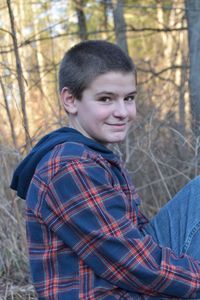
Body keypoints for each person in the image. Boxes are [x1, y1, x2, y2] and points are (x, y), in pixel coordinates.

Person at [10, 40, 200, 299]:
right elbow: (133, 264)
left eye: (129, 98)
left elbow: (136, 240)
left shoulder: (89, 156)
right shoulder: (71, 166)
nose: (122, 112)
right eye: (106, 99)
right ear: (70, 100)